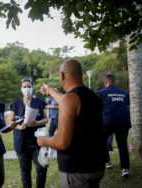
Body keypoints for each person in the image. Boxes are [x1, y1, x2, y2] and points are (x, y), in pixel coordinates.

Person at [37, 59, 107, 188]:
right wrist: (51, 90)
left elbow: (62, 142)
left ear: (62, 75)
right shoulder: (92, 96)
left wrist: (44, 141)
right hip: (96, 165)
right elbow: (67, 101)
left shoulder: (70, 99)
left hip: (77, 169)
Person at [9, 78, 49, 188]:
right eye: (24, 87)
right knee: (25, 171)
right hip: (21, 141)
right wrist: (19, 126)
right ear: (21, 89)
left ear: (33, 88)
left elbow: (46, 119)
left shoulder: (40, 103)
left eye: (29, 86)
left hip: (38, 142)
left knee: (41, 169)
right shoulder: (15, 104)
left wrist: (36, 122)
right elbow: (11, 121)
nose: (27, 89)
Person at [97, 74, 131, 177]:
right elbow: (127, 107)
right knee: (122, 145)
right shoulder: (124, 93)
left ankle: (107, 162)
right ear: (115, 82)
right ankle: (125, 169)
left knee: (101, 141)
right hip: (123, 122)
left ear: (106, 83)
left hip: (108, 121)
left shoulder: (101, 93)